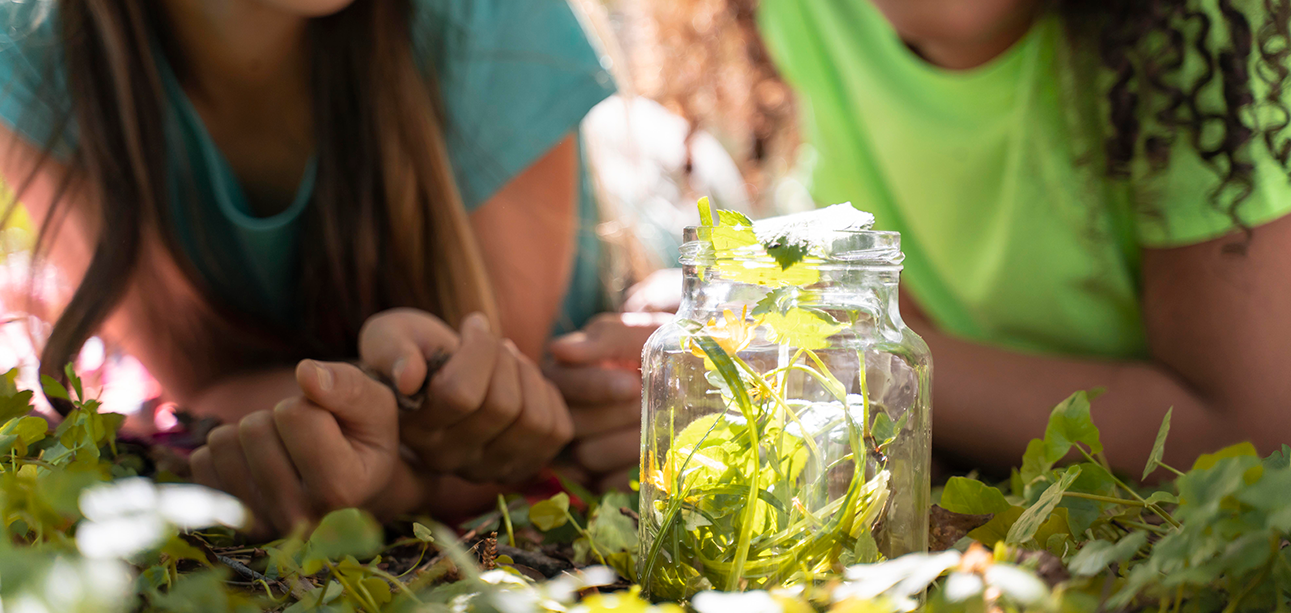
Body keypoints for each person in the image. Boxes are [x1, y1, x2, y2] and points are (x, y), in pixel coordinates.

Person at [0, 0, 639, 535]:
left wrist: (389, 440)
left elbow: (487, 437)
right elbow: (208, 387)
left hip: (625, 268)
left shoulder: (494, 16)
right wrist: (377, 434)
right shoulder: (35, 50)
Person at [756, 0, 1291, 475]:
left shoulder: (1206, 26)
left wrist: (856, 357)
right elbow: (900, 298)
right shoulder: (818, 12)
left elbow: (1251, 436)